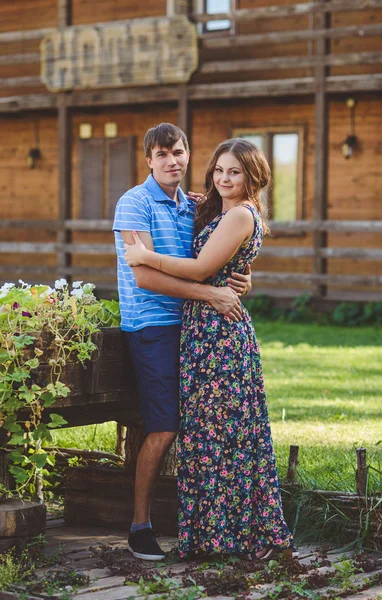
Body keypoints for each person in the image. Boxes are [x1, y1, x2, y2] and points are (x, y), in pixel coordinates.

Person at [124, 138, 296, 560]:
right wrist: (238, 277)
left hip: (220, 337)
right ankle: (212, 535)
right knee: (208, 438)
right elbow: (227, 268)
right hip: (202, 330)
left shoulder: (239, 214)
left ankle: (247, 535)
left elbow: (202, 269)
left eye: (234, 172)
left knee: (228, 437)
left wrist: (147, 256)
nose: (224, 178)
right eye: (219, 170)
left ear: (252, 176)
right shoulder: (218, 210)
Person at [113, 124, 251, 561]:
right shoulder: (133, 203)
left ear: (189, 155)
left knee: (202, 424)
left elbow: (217, 254)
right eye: (162, 154)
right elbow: (146, 276)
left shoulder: (193, 205)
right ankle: (140, 526)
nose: (172, 160)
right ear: (148, 159)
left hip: (195, 327)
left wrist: (240, 279)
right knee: (165, 426)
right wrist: (212, 293)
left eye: (178, 152)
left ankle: (207, 521)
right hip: (152, 325)